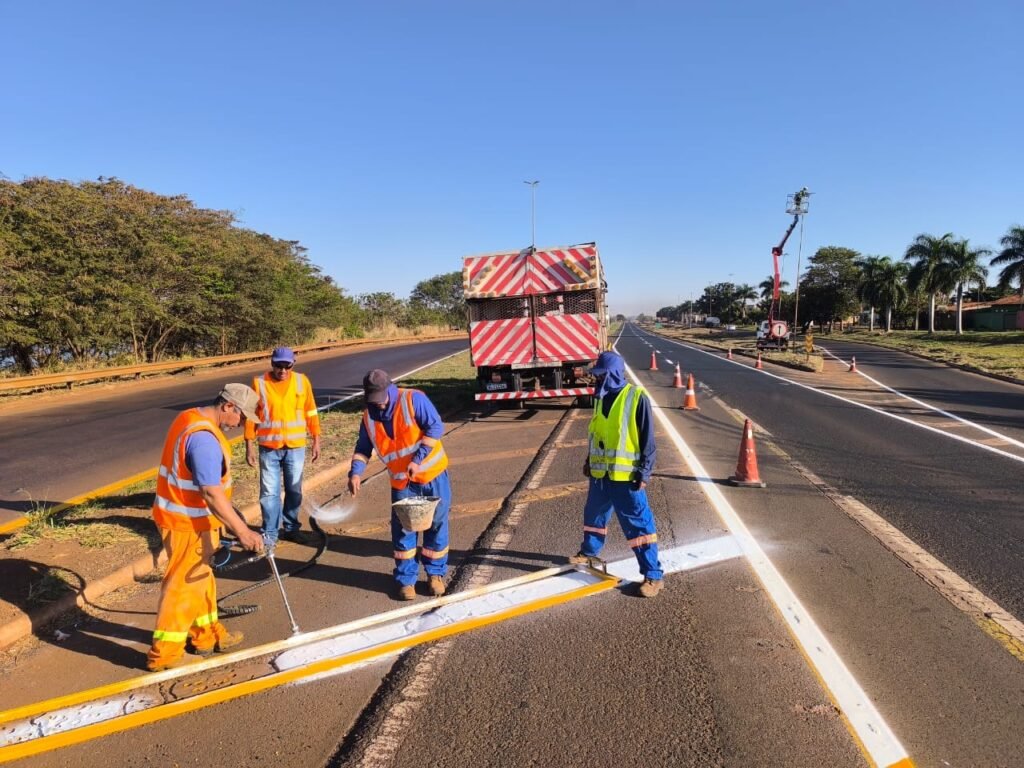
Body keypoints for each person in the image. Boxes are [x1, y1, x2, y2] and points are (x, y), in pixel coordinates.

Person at [147, 383, 265, 672]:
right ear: (228, 406)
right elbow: (211, 492)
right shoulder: (204, 440)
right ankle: (165, 654)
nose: (242, 424)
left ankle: (206, 635)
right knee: (182, 586)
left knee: (201, 580)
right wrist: (243, 531)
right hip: (186, 522)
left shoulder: (189, 417)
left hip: (194, 519)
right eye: (242, 417)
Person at [347, 369, 451, 601]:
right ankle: (406, 581)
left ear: (390, 390)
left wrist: (418, 459)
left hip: (432, 474)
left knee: (436, 524)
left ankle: (435, 575)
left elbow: (435, 427)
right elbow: (363, 448)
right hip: (402, 482)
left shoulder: (413, 399)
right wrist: (355, 473)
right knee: (404, 530)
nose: (379, 406)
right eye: (373, 401)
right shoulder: (369, 416)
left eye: (381, 400)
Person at [570, 351, 665, 597]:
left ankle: (653, 576)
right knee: (594, 516)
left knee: (638, 525)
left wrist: (644, 472)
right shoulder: (601, 398)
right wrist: (589, 461)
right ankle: (589, 553)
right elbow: (597, 433)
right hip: (601, 475)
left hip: (627, 478)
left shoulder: (636, 398)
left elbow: (648, 441)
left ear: (612, 374)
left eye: (601, 375)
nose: (597, 380)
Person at [245, 347, 321, 544]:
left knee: (294, 490)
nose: (283, 370)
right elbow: (251, 416)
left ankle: (291, 528)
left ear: (293, 364)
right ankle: (270, 533)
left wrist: (316, 440)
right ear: (272, 363)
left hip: (295, 447)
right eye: (279, 366)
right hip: (269, 447)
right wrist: (249, 445)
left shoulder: (302, 381)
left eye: (287, 366)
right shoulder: (259, 383)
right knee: (269, 492)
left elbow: (311, 411)